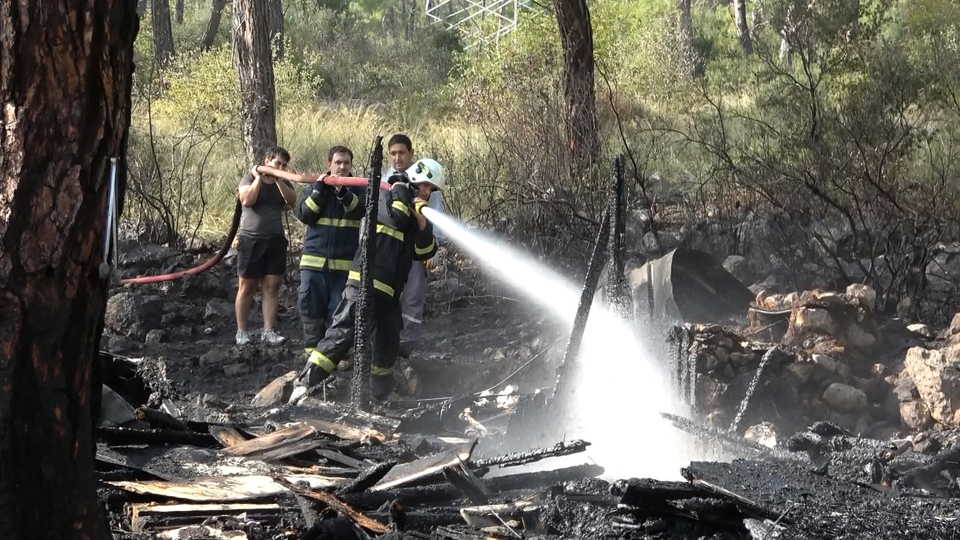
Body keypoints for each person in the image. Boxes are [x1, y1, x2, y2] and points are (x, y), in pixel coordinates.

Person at [297, 164, 439, 401]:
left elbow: (424, 251)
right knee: (342, 334)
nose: (427, 193)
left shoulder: (414, 214)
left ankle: (380, 397)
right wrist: (401, 191)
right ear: (412, 182)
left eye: (431, 190)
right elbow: (396, 218)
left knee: (387, 344)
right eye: (425, 186)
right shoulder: (384, 196)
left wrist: (423, 224)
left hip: (390, 292)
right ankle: (304, 385)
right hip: (364, 282)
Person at [294, 146, 365, 355]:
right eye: (338, 162)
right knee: (310, 308)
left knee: (339, 311)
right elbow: (305, 215)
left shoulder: (359, 189)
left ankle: (334, 355)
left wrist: (343, 192)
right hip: (313, 264)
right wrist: (319, 191)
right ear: (329, 164)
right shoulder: (315, 188)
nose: (342, 167)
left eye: (346, 163)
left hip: (343, 267)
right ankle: (311, 355)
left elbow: (359, 210)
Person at [381, 134, 443, 357]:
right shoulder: (385, 180)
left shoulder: (425, 180)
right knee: (388, 293)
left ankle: (408, 342)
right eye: (393, 153)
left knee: (413, 295)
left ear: (411, 153)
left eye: (402, 152)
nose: (397, 158)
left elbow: (435, 215)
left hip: (417, 249)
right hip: (391, 248)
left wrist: (436, 247)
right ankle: (386, 339)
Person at [235, 146, 297, 346]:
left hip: (275, 240)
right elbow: (247, 200)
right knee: (247, 286)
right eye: (277, 163)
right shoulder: (248, 179)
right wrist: (259, 177)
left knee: (271, 286)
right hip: (251, 239)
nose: (281, 167)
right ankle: (241, 332)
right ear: (267, 160)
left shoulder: (283, 182)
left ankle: (268, 330)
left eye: (284, 165)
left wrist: (278, 178)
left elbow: (292, 200)